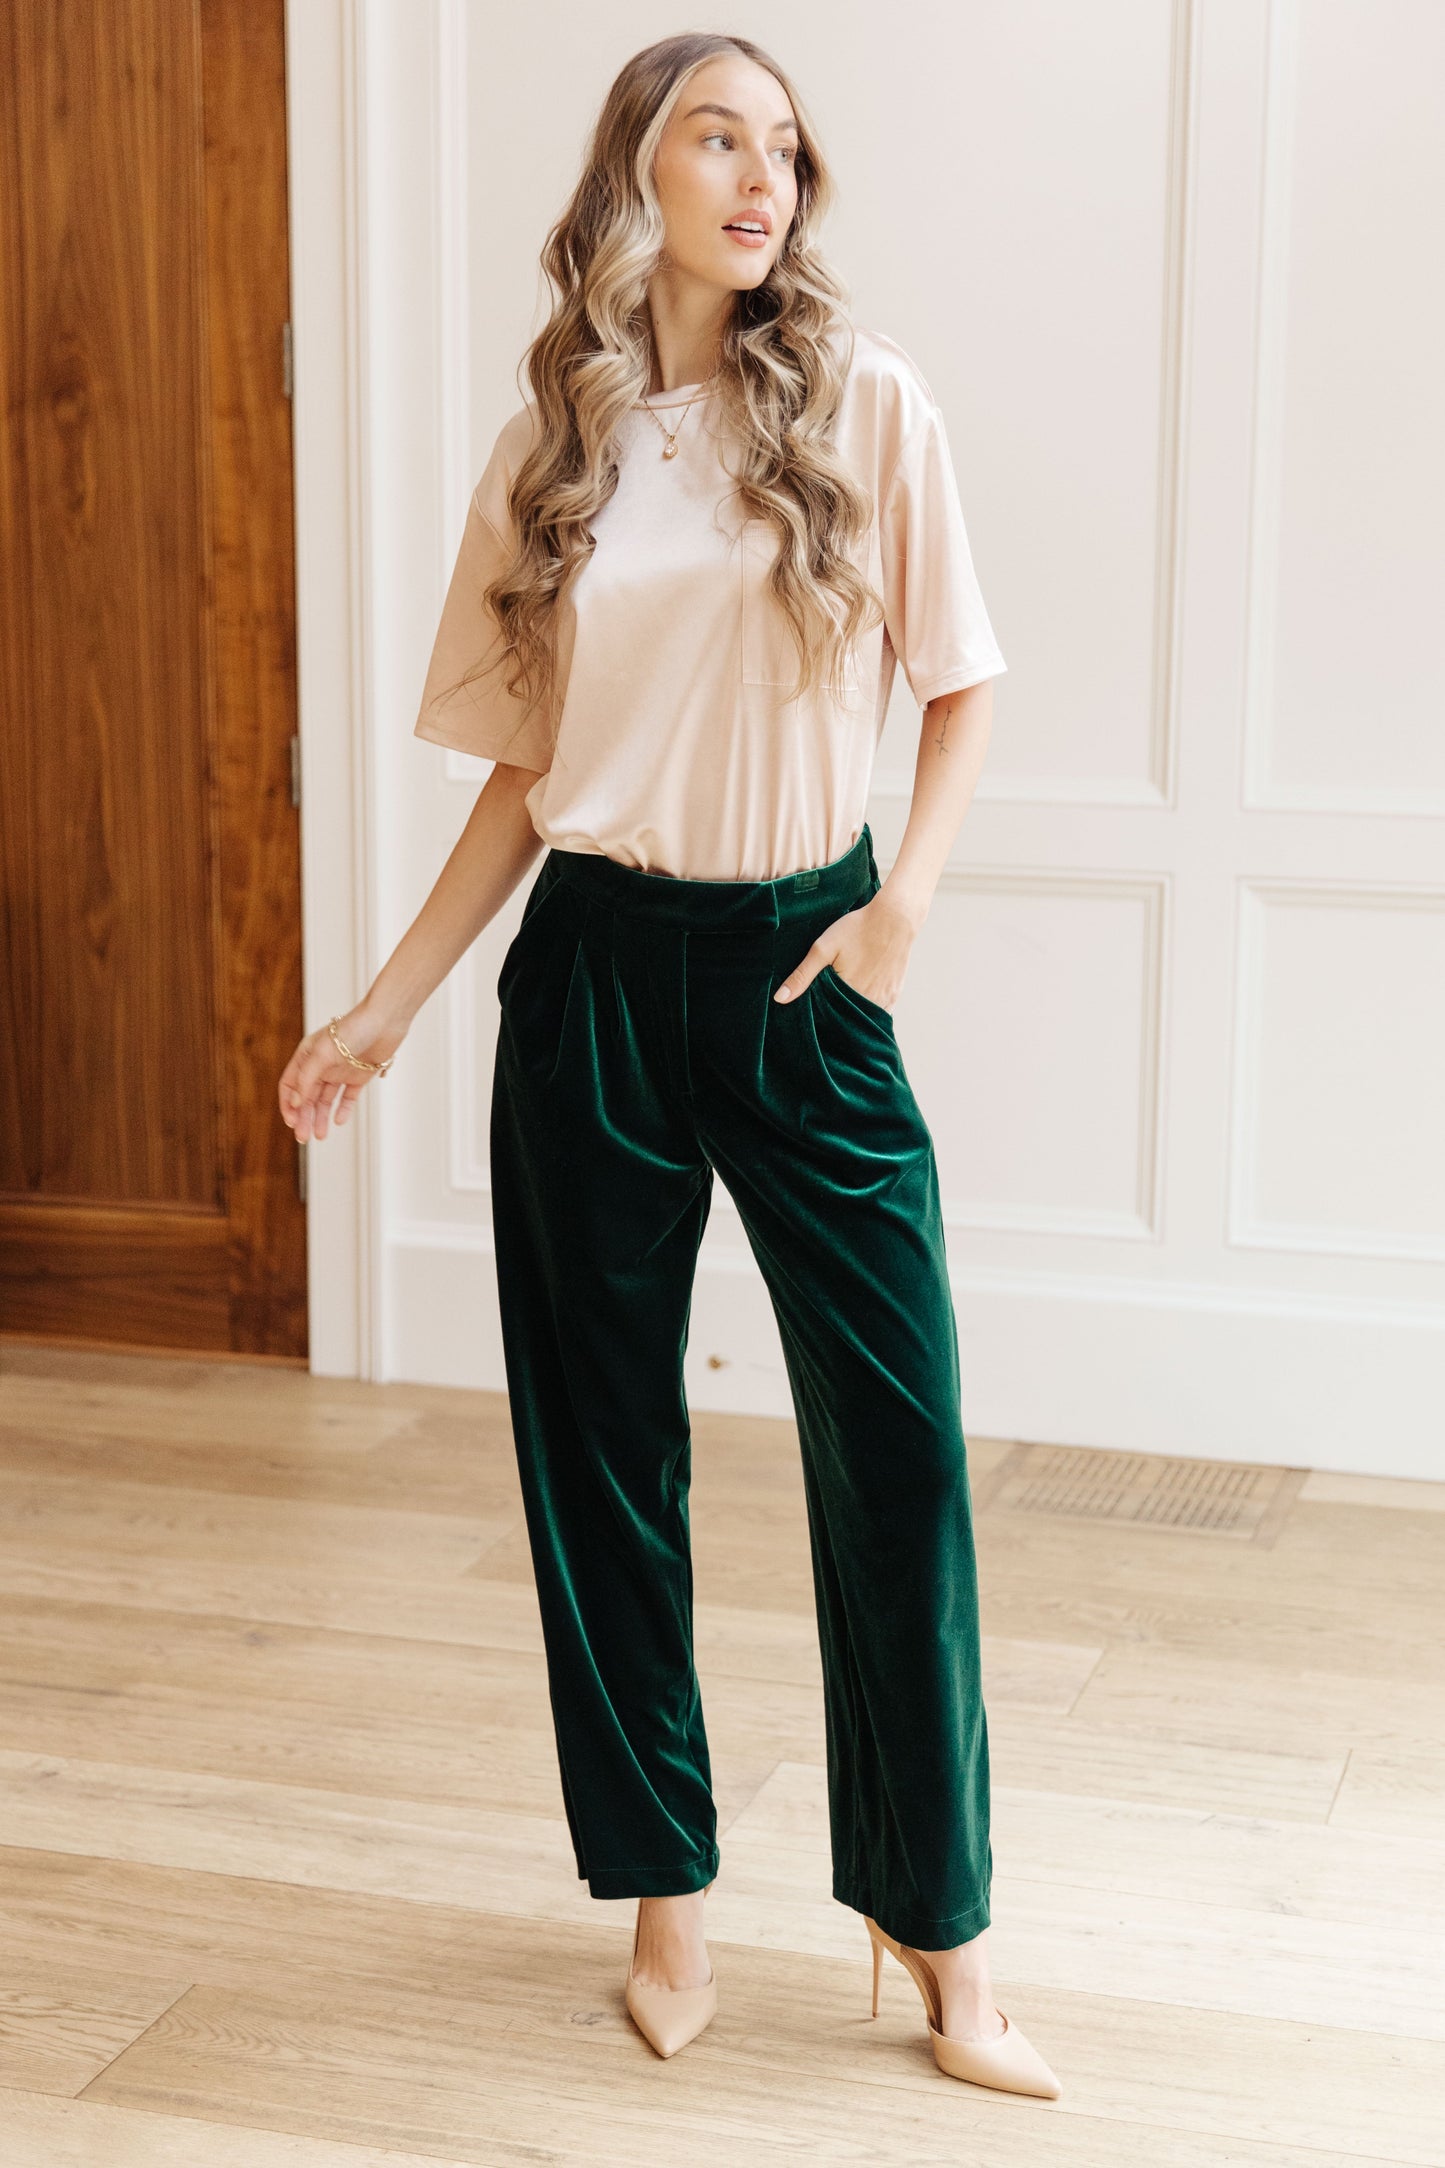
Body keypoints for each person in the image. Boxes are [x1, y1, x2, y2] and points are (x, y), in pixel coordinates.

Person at [280, 30, 1062, 2103]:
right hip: (599, 984)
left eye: (786, 146)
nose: (762, 174)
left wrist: (898, 922)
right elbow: (532, 784)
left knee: (896, 1452)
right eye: (720, 134)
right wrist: (380, 1008)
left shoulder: (866, 400)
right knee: (603, 1458)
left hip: (810, 967)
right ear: (636, 167)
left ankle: (943, 1926)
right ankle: (664, 1900)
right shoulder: (567, 440)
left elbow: (964, 687)